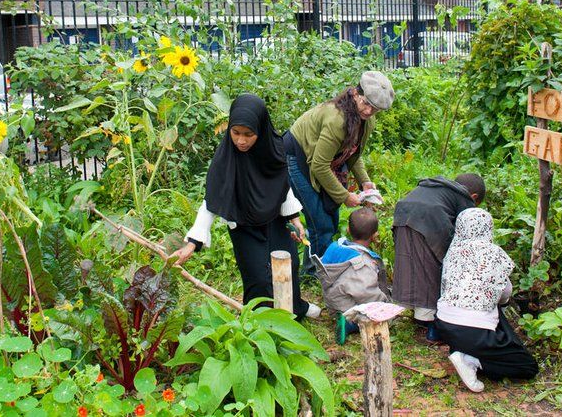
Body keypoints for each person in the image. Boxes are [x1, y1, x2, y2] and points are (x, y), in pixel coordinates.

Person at [169, 94, 321, 319]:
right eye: (235, 132)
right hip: (244, 225)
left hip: (274, 219)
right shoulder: (226, 159)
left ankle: (295, 308)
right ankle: (258, 322)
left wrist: (295, 219)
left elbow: (281, 184)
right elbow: (212, 200)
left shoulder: (272, 149)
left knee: (288, 265)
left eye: (248, 134)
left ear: (260, 129)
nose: (241, 140)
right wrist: (193, 243)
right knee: (258, 277)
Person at [285, 71, 395, 275]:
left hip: (326, 159)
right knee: (320, 221)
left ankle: (318, 266)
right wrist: (345, 196)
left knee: (331, 216)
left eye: (376, 109)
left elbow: (353, 152)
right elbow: (318, 165)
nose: (370, 111)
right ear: (355, 93)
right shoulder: (337, 119)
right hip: (298, 155)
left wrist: (365, 182)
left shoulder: (366, 120)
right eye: (366, 103)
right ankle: (315, 274)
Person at [435, 208, 538, 392]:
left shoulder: (452, 251)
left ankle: (462, 350)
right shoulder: (494, 254)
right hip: (475, 332)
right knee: (528, 367)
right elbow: (505, 294)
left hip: (444, 324)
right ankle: (472, 360)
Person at [391, 174, 485, 341]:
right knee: (432, 267)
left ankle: (414, 312)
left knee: (407, 261)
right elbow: (465, 233)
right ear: (474, 197)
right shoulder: (464, 199)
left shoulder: (437, 187)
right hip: (430, 219)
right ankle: (432, 325)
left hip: (402, 214)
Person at [315, 207, 392, 344]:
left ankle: (343, 317)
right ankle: (351, 324)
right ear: (375, 236)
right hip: (348, 308)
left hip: (332, 302)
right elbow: (366, 292)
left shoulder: (335, 247)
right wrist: (385, 302)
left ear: (349, 230)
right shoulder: (362, 263)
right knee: (384, 316)